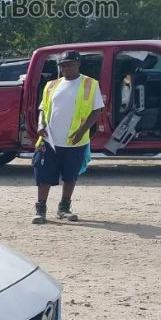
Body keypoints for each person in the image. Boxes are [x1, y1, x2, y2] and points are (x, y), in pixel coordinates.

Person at [33, 50, 105, 224]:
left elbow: (97, 110)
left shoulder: (90, 84)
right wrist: (41, 125)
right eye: (63, 65)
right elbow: (43, 108)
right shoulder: (51, 85)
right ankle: (40, 209)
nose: (66, 68)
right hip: (50, 140)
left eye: (70, 64)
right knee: (43, 175)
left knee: (70, 175)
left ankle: (64, 208)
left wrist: (82, 130)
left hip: (75, 140)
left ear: (78, 65)